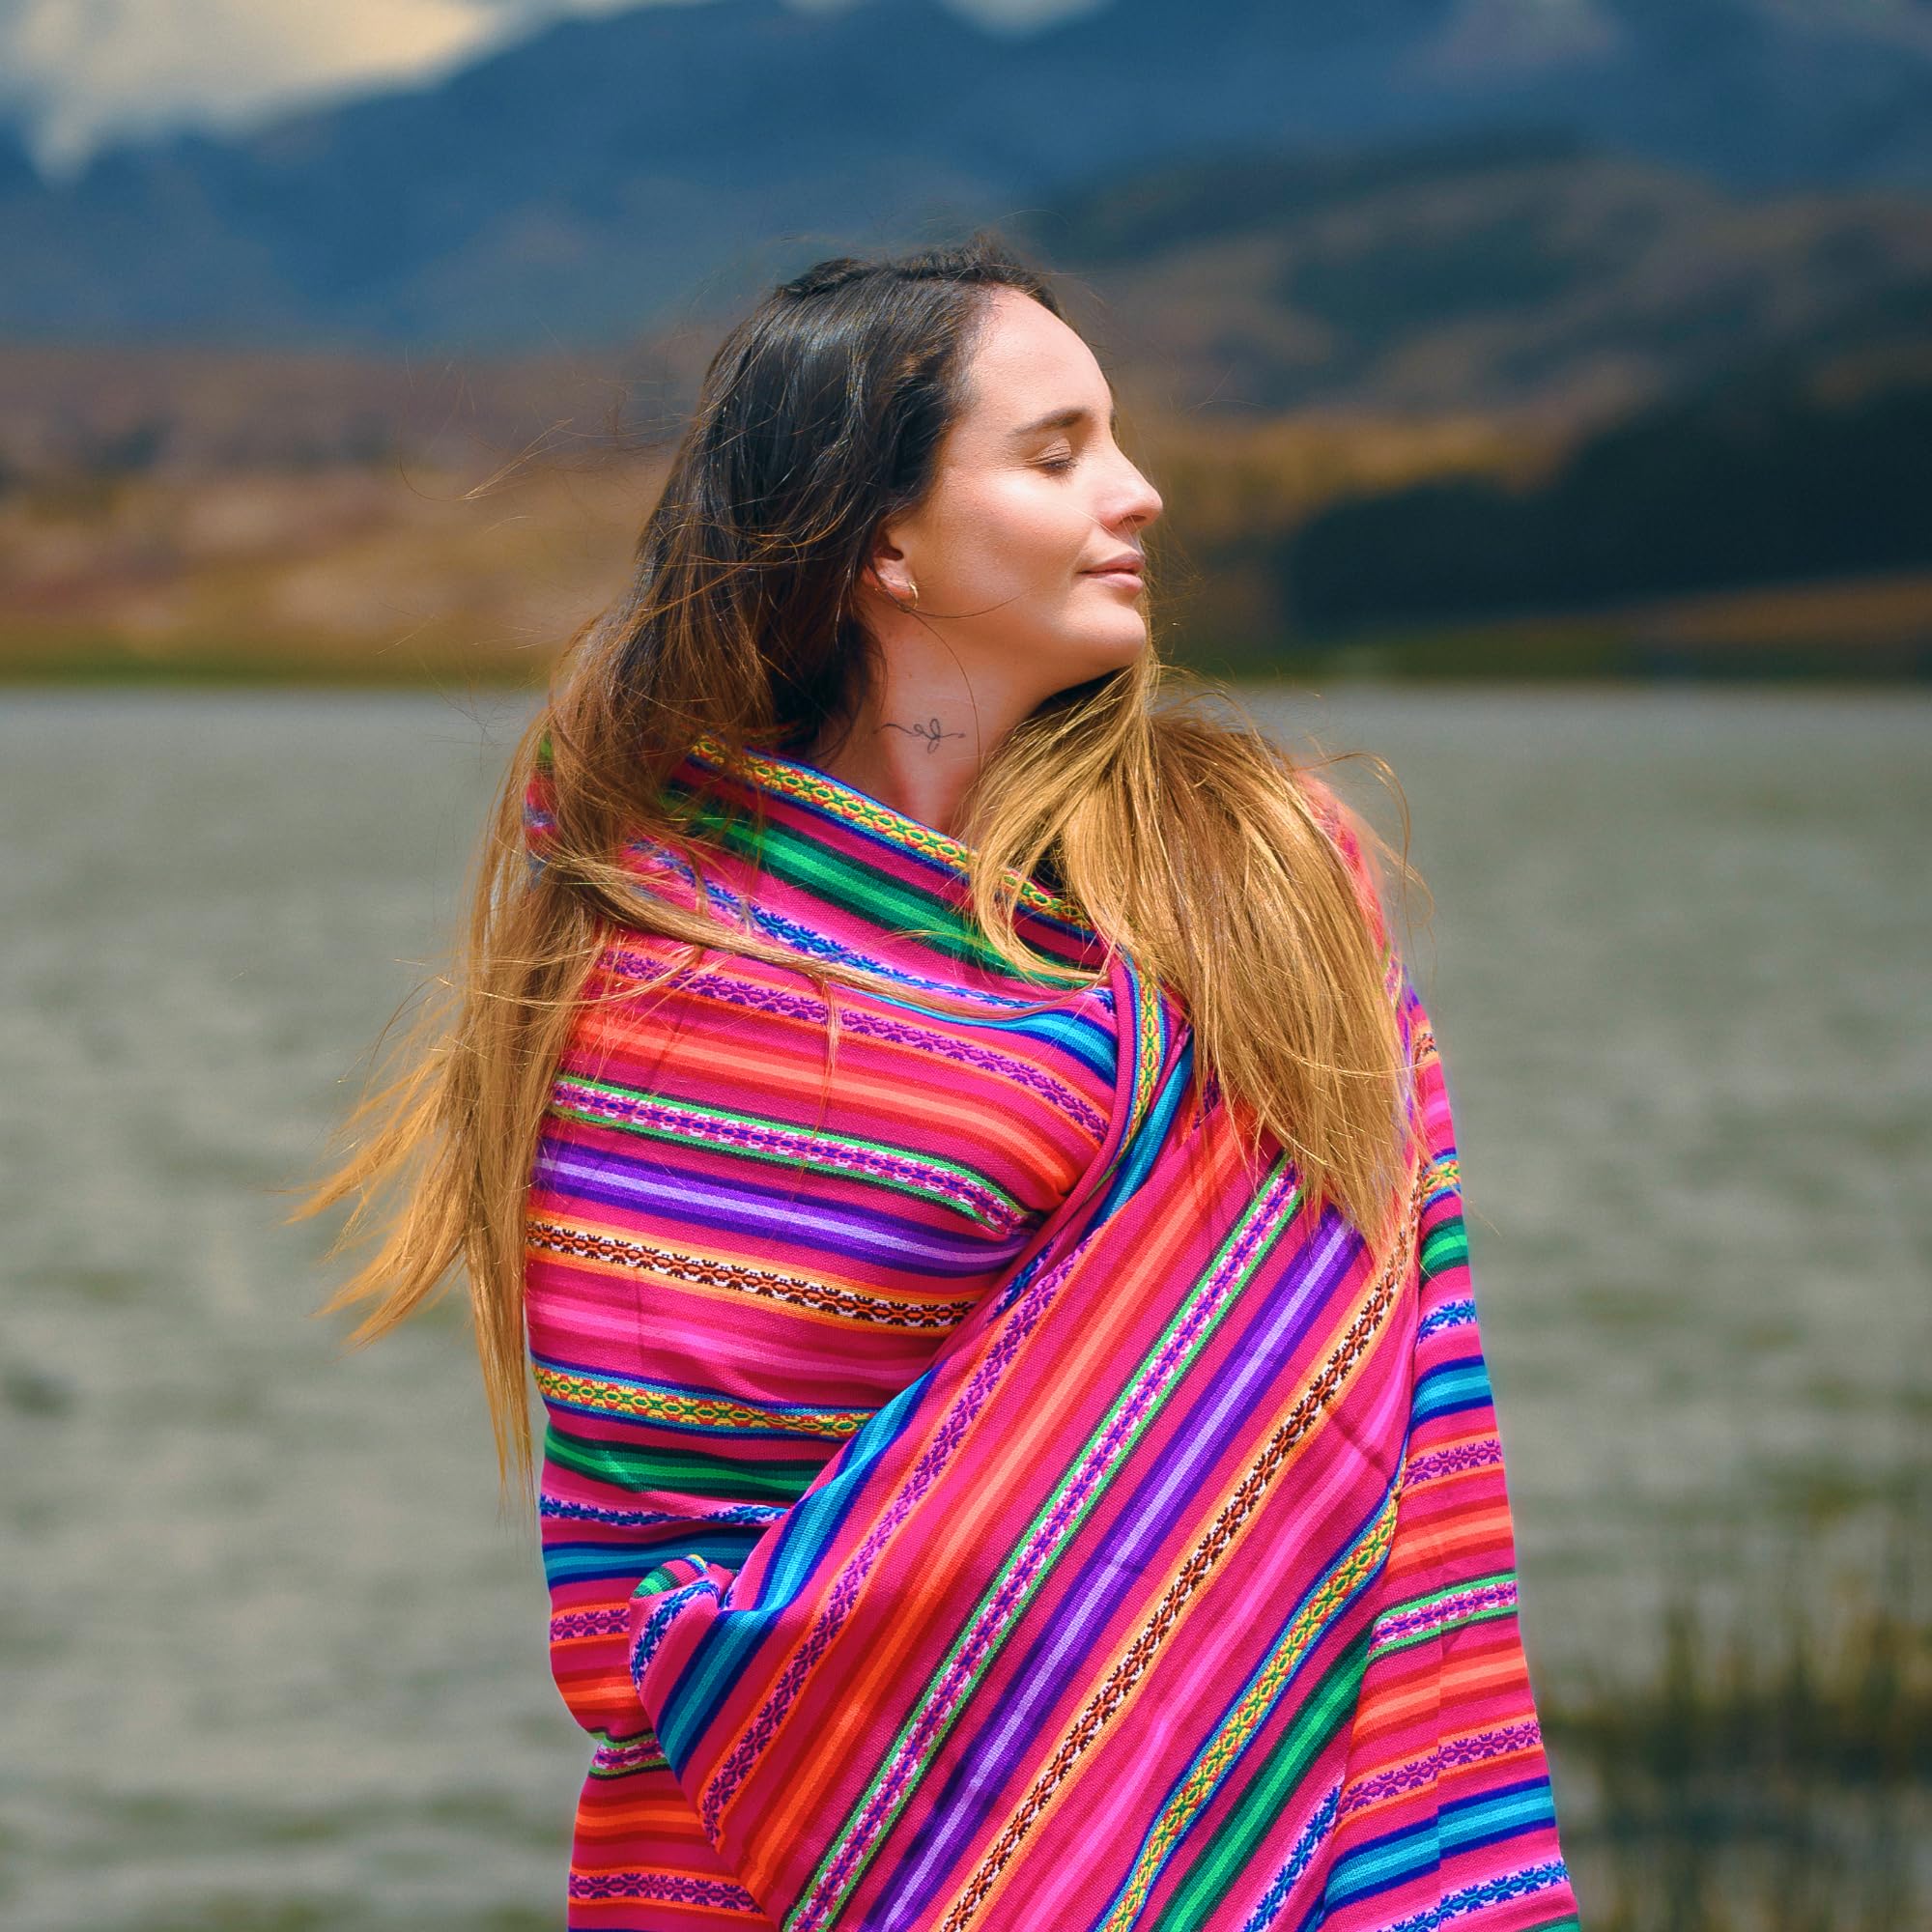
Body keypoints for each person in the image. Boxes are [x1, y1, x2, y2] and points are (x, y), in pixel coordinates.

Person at [298, 234, 1579, 1931]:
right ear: (882, 539)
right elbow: (650, 1526)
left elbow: (1388, 1403)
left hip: (1261, 1830)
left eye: (1114, 437)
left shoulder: (1255, 877)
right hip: (741, 1847)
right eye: (1057, 453)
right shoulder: (651, 943)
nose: (1142, 493)